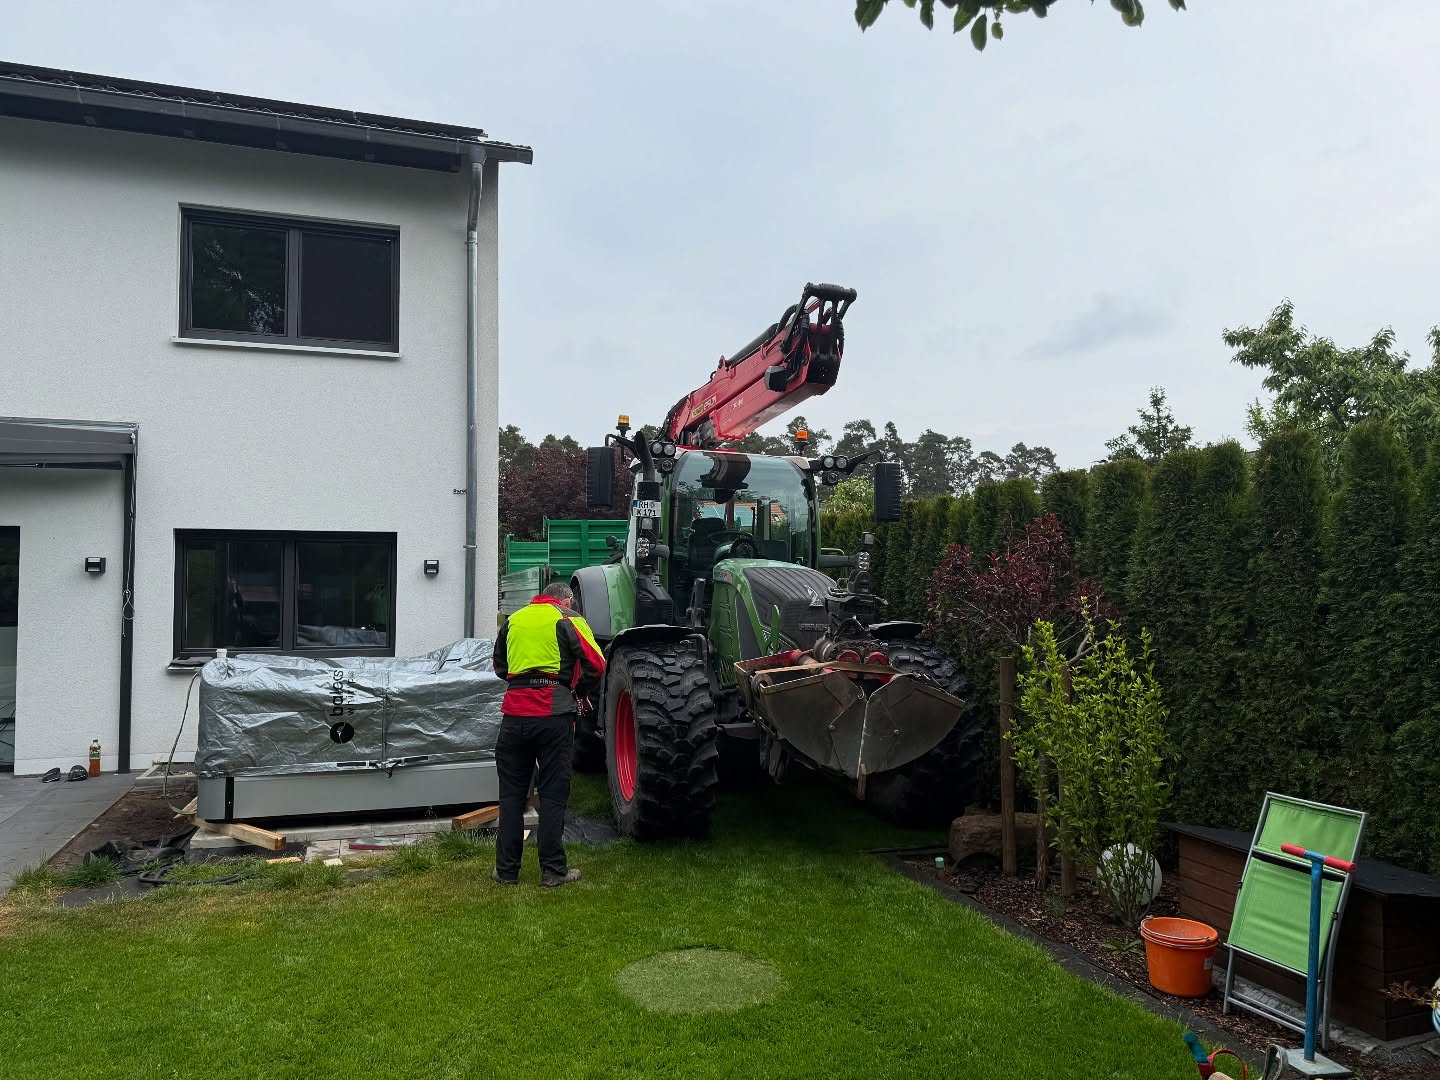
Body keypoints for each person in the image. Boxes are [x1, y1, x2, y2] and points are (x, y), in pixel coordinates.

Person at [490, 581, 605, 887]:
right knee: (553, 794)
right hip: (553, 715)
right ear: (565, 600)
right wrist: (577, 689)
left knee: (512, 795)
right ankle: (553, 871)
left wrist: (523, 680)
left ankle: (506, 871)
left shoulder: (514, 620)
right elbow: (597, 664)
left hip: (514, 715)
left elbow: (499, 667)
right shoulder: (568, 619)